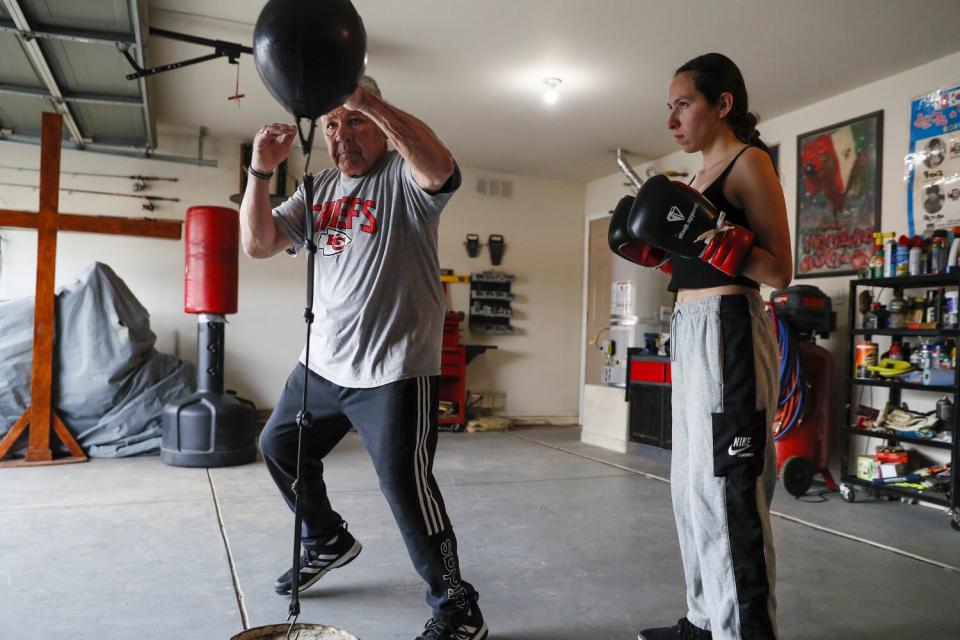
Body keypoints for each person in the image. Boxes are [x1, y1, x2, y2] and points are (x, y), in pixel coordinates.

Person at [240, 76, 488, 640]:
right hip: (322, 366)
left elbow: (441, 166)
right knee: (278, 446)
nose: (340, 134)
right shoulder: (320, 188)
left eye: (353, 121)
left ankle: (458, 609)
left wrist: (366, 99)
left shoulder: (404, 178)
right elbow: (258, 244)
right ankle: (326, 538)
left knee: (407, 490)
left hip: (394, 371)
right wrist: (260, 170)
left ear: (378, 123)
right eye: (331, 124)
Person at [610, 53, 792, 640]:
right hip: (689, 331)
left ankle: (743, 632)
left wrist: (712, 235)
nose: (672, 121)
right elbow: (695, 256)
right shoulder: (693, 181)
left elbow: (780, 272)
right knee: (690, 488)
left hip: (729, 328)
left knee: (727, 487)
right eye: (669, 108)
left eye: (682, 105)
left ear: (723, 104)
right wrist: (661, 250)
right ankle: (703, 619)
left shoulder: (748, 162)